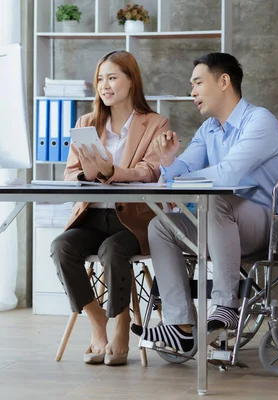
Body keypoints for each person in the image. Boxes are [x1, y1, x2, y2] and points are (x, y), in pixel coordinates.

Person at [131, 52, 278, 353]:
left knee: (218, 201)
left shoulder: (260, 121)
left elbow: (228, 175)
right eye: (191, 86)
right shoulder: (208, 129)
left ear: (224, 81)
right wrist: (169, 159)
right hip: (223, 224)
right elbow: (182, 170)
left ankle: (226, 305)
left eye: (198, 83)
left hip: (273, 223)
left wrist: (180, 179)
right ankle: (180, 325)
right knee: (161, 225)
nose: (193, 92)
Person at [50, 50, 169, 365]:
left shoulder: (155, 123)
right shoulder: (87, 122)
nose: (104, 85)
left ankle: (121, 324)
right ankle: (97, 321)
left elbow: (151, 171)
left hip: (131, 220)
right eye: (100, 79)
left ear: (131, 82)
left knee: (113, 252)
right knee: (61, 247)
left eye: (112, 77)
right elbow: (69, 172)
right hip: (91, 216)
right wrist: (85, 174)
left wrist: (113, 172)